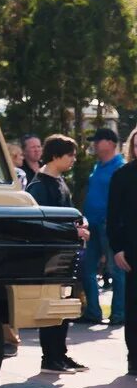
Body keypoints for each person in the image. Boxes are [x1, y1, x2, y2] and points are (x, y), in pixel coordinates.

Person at [25, 134, 87, 374]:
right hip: (49, 257)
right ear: (55, 156)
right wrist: (74, 231)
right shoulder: (39, 186)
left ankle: (60, 354)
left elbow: (70, 213)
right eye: (70, 155)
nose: (73, 159)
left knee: (65, 306)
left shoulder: (60, 181)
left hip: (66, 254)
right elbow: (40, 223)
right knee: (52, 307)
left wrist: (81, 224)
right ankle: (49, 358)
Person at [80, 127, 126, 327]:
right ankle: (93, 312)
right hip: (92, 224)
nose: (95, 144)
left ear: (110, 143)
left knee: (116, 270)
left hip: (109, 223)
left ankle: (119, 314)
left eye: (98, 140)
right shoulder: (98, 166)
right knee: (86, 268)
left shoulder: (120, 166)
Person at [105, 128, 137, 376]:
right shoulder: (122, 176)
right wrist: (117, 249)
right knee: (134, 306)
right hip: (131, 249)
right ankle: (134, 359)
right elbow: (113, 216)